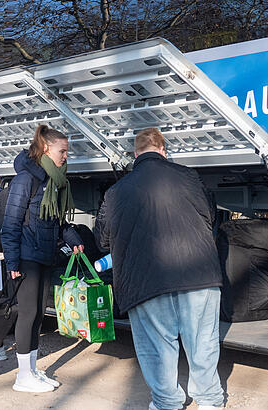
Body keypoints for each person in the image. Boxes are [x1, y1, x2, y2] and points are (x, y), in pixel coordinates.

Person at [95, 128, 224, 410]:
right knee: (203, 342)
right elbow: (211, 217)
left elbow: (103, 239)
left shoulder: (116, 192)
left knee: (157, 348)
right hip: (198, 274)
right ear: (164, 150)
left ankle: (168, 402)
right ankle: (210, 400)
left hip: (146, 280)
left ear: (135, 154)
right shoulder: (190, 177)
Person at [2, 125, 84, 393]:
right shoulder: (26, 179)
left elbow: (58, 221)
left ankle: (32, 371)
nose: (65, 156)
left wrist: (73, 240)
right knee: (28, 314)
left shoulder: (55, 181)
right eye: (62, 151)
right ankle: (22, 377)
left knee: (38, 314)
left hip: (44, 256)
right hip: (26, 257)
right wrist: (12, 263)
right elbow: (11, 223)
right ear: (46, 149)